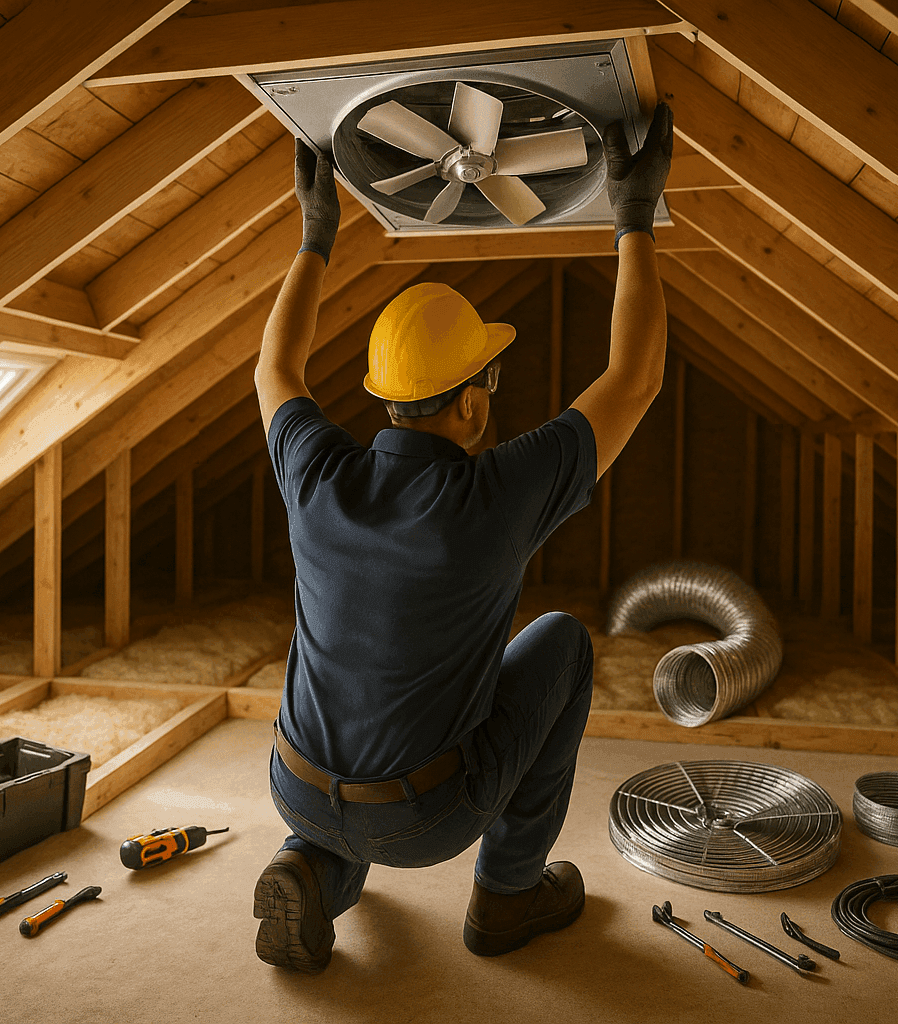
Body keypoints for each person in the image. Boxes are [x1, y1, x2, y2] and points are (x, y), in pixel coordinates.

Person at [251, 103, 674, 972]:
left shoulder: (318, 475)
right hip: (422, 819)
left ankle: (313, 863)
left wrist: (315, 235)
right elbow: (632, 380)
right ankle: (508, 896)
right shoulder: (493, 499)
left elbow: (274, 370)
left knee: (352, 767)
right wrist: (634, 218)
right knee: (561, 643)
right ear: (474, 400)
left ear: (386, 392)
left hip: (292, 780)